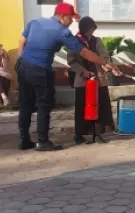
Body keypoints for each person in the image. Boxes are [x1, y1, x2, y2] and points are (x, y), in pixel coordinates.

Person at [17, 2, 121, 151]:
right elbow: (84, 52)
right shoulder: (62, 32)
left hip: (24, 68)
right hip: (41, 70)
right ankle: (42, 141)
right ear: (61, 16)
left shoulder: (35, 22)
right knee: (44, 105)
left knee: (25, 104)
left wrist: (21, 61)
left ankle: (24, 140)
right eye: (70, 18)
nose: (72, 22)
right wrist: (106, 63)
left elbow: (22, 40)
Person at [67, 16, 115, 145]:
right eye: (89, 30)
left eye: (93, 30)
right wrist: (84, 71)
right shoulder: (74, 42)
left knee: (100, 105)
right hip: (82, 81)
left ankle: (98, 132)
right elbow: (71, 61)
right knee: (82, 107)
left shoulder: (96, 41)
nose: (91, 33)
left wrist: (106, 64)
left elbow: (103, 55)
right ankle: (79, 135)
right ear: (83, 29)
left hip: (98, 79)